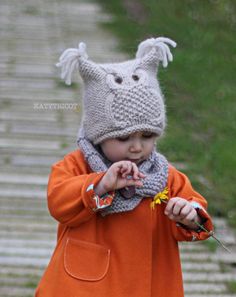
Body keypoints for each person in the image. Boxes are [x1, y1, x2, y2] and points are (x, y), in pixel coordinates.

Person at [35, 37, 213, 297]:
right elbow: (58, 202)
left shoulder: (165, 176)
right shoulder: (77, 166)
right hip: (87, 285)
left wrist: (189, 215)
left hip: (149, 284)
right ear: (98, 134)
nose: (136, 147)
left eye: (147, 136)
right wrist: (101, 184)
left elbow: (199, 223)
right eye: (123, 138)